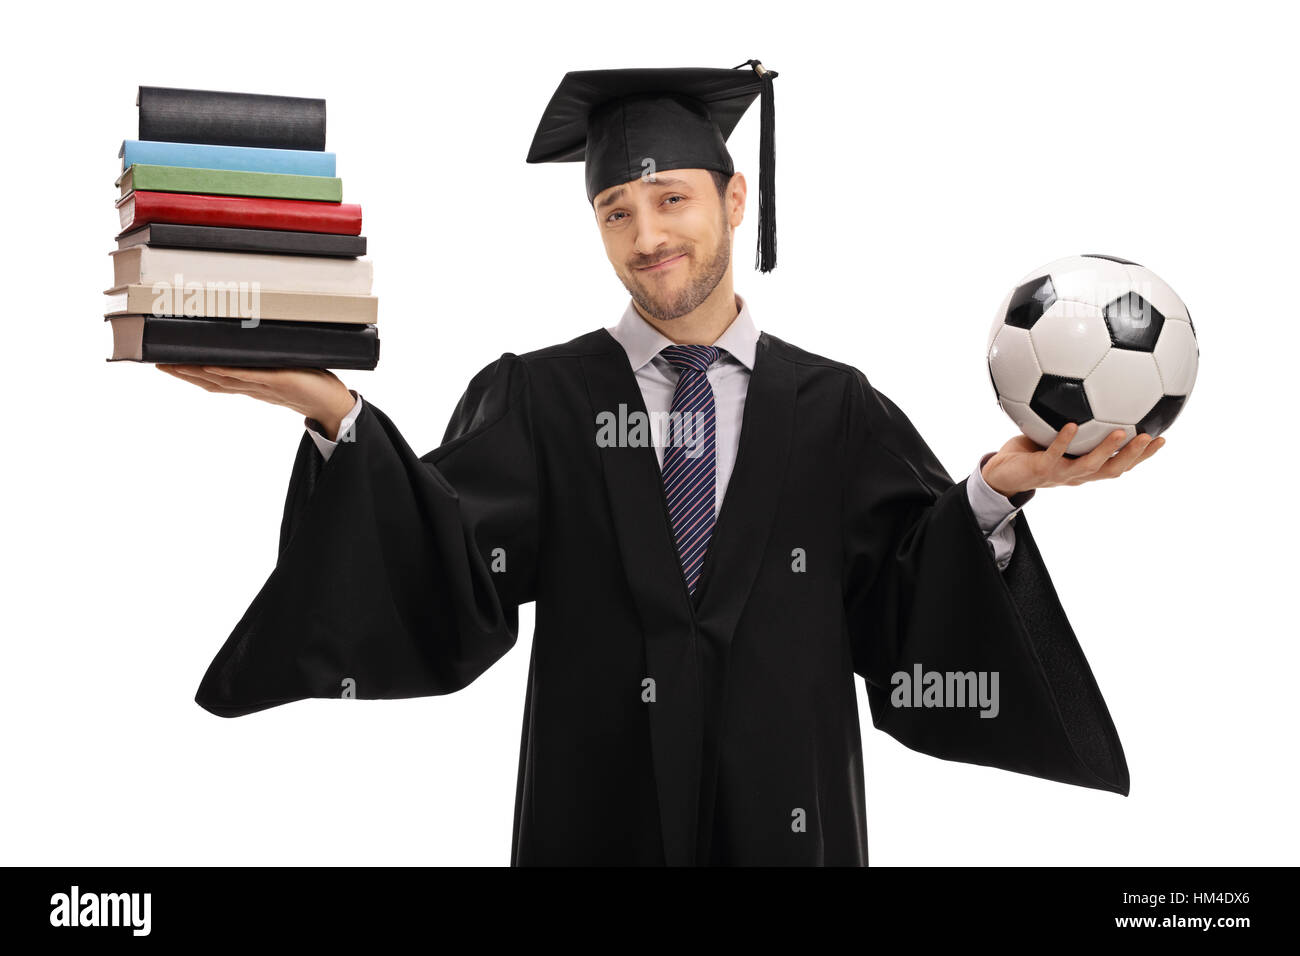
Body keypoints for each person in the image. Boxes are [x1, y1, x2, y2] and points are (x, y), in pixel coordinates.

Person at [160, 60, 1164, 866]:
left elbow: (906, 600)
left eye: (671, 198)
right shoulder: (542, 397)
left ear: (735, 197)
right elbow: (445, 564)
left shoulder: (834, 407)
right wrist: (336, 412)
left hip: (790, 824)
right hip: (594, 824)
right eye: (615, 210)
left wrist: (995, 487)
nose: (646, 237)